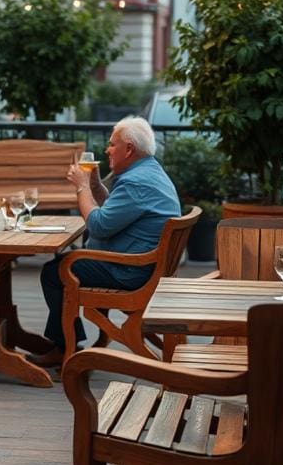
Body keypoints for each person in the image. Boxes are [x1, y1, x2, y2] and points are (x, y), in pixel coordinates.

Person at [34, 116, 181, 366]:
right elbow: (113, 210)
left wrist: (82, 187)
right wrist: (94, 183)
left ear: (129, 149)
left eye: (112, 144)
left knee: (55, 270)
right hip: (146, 267)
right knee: (62, 264)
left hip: (130, 274)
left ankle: (64, 347)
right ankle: (68, 342)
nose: (107, 150)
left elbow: (99, 225)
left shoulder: (136, 182)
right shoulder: (149, 170)